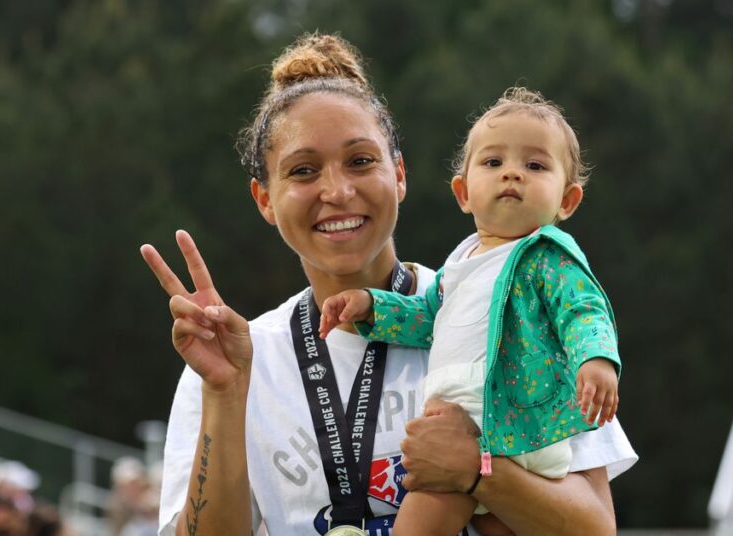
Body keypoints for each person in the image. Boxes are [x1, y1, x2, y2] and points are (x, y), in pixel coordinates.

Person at [146, 33, 636, 536]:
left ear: (399, 174)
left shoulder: (507, 309)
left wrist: (477, 472)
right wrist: (227, 394)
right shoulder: (235, 362)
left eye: (361, 161)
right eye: (303, 171)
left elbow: (595, 528)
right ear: (265, 199)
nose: (337, 191)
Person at [318, 87, 620, 534]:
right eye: (493, 162)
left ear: (567, 201)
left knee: (424, 514)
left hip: (509, 421)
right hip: (467, 422)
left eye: (535, 166)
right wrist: (371, 308)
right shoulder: (461, 261)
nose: (512, 174)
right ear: (463, 193)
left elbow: (583, 310)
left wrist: (596, 359)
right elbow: (427, 318)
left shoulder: (547, 255)